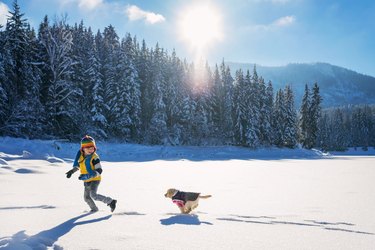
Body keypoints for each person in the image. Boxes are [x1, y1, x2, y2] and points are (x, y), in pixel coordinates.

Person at [66, 135, 117, 213]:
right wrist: (71, 172)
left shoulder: (94, 158)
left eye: (92, 147)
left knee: (93, 195)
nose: (90, 149)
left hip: (95, 179)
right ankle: (94, 210)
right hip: (86, 179)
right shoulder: (81, 156)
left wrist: (92, 175)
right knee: (86, 198)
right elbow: (78, 166)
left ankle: (111, 201)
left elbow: (99, 170)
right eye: (88, 148)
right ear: (83, 149)